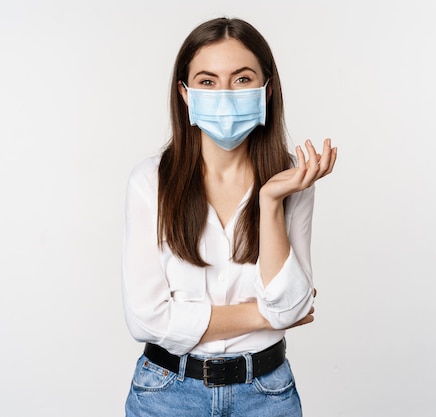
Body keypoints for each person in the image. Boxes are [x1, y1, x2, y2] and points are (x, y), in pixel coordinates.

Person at [122, 17, 337, 417]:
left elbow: (289, 305)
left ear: (267, 90)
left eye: (241, 79)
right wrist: (264, 314)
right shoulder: (149, 181)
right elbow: (146, 321)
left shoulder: (294, 179)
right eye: (207, 81)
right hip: (166, 394)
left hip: (266, 394)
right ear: (184, 94)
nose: (224, 94)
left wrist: (271, 201)